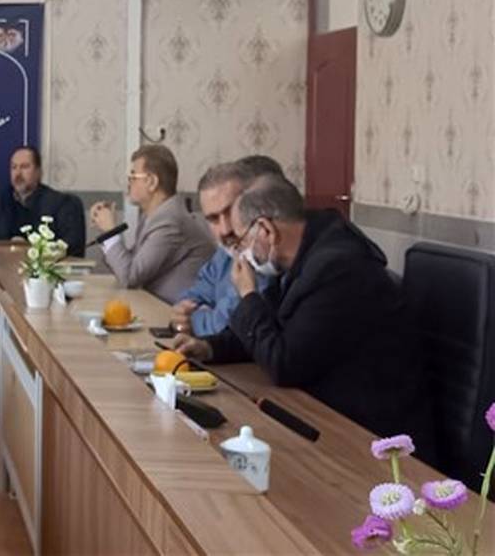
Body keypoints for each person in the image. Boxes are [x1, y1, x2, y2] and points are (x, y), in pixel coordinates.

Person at [174, 175, 433, 447]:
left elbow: (284, 363)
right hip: (331, 415)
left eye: (241, 242)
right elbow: (272, 327)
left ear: (266, 230)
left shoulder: (337, 269)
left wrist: (248, 295)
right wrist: (210, 348)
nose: (241, 254)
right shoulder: (302, 257)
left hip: (378, 437)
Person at [170, 157, 284, 336]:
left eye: (231, 212)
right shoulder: (225, 253)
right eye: (213, 219)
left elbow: (225, 327)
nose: (225, 229)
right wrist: (190, 316)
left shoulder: (264, 255)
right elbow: (187, 301)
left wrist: (197, 319)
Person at [89, 144, 214, 303]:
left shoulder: (170, 221)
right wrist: (108, 232)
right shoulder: (154, 217)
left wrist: (110, 232)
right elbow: (129, 266)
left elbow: (130, 277)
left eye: (133, 177)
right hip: (160, 307)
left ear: (152, 182)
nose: (129, 183)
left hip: (182, 313)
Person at [0, 146, 84, 256]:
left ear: (38, 172)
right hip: (2, 264)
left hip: (45, 265)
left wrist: (28, 248)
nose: (18, 173)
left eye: (24, 167)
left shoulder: (62, 204)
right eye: (14, 167)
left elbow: (71, 246)